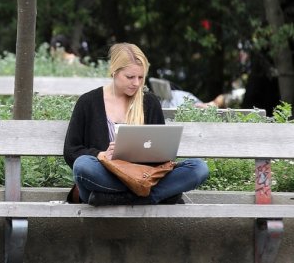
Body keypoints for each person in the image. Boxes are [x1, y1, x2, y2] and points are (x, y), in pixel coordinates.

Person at [63, 43, 209, 206]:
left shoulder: (150, 102)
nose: (136, 83)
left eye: (140, 77)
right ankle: (157, 196)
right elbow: (71, 151)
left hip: (143, 177)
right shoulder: (88, 102)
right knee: (83, 166)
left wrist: (151, 154)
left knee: (199, 168)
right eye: (130, 77)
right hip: (106, 176)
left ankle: (117, 199)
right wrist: (101, 155)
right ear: (114, 71)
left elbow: (160, 155)